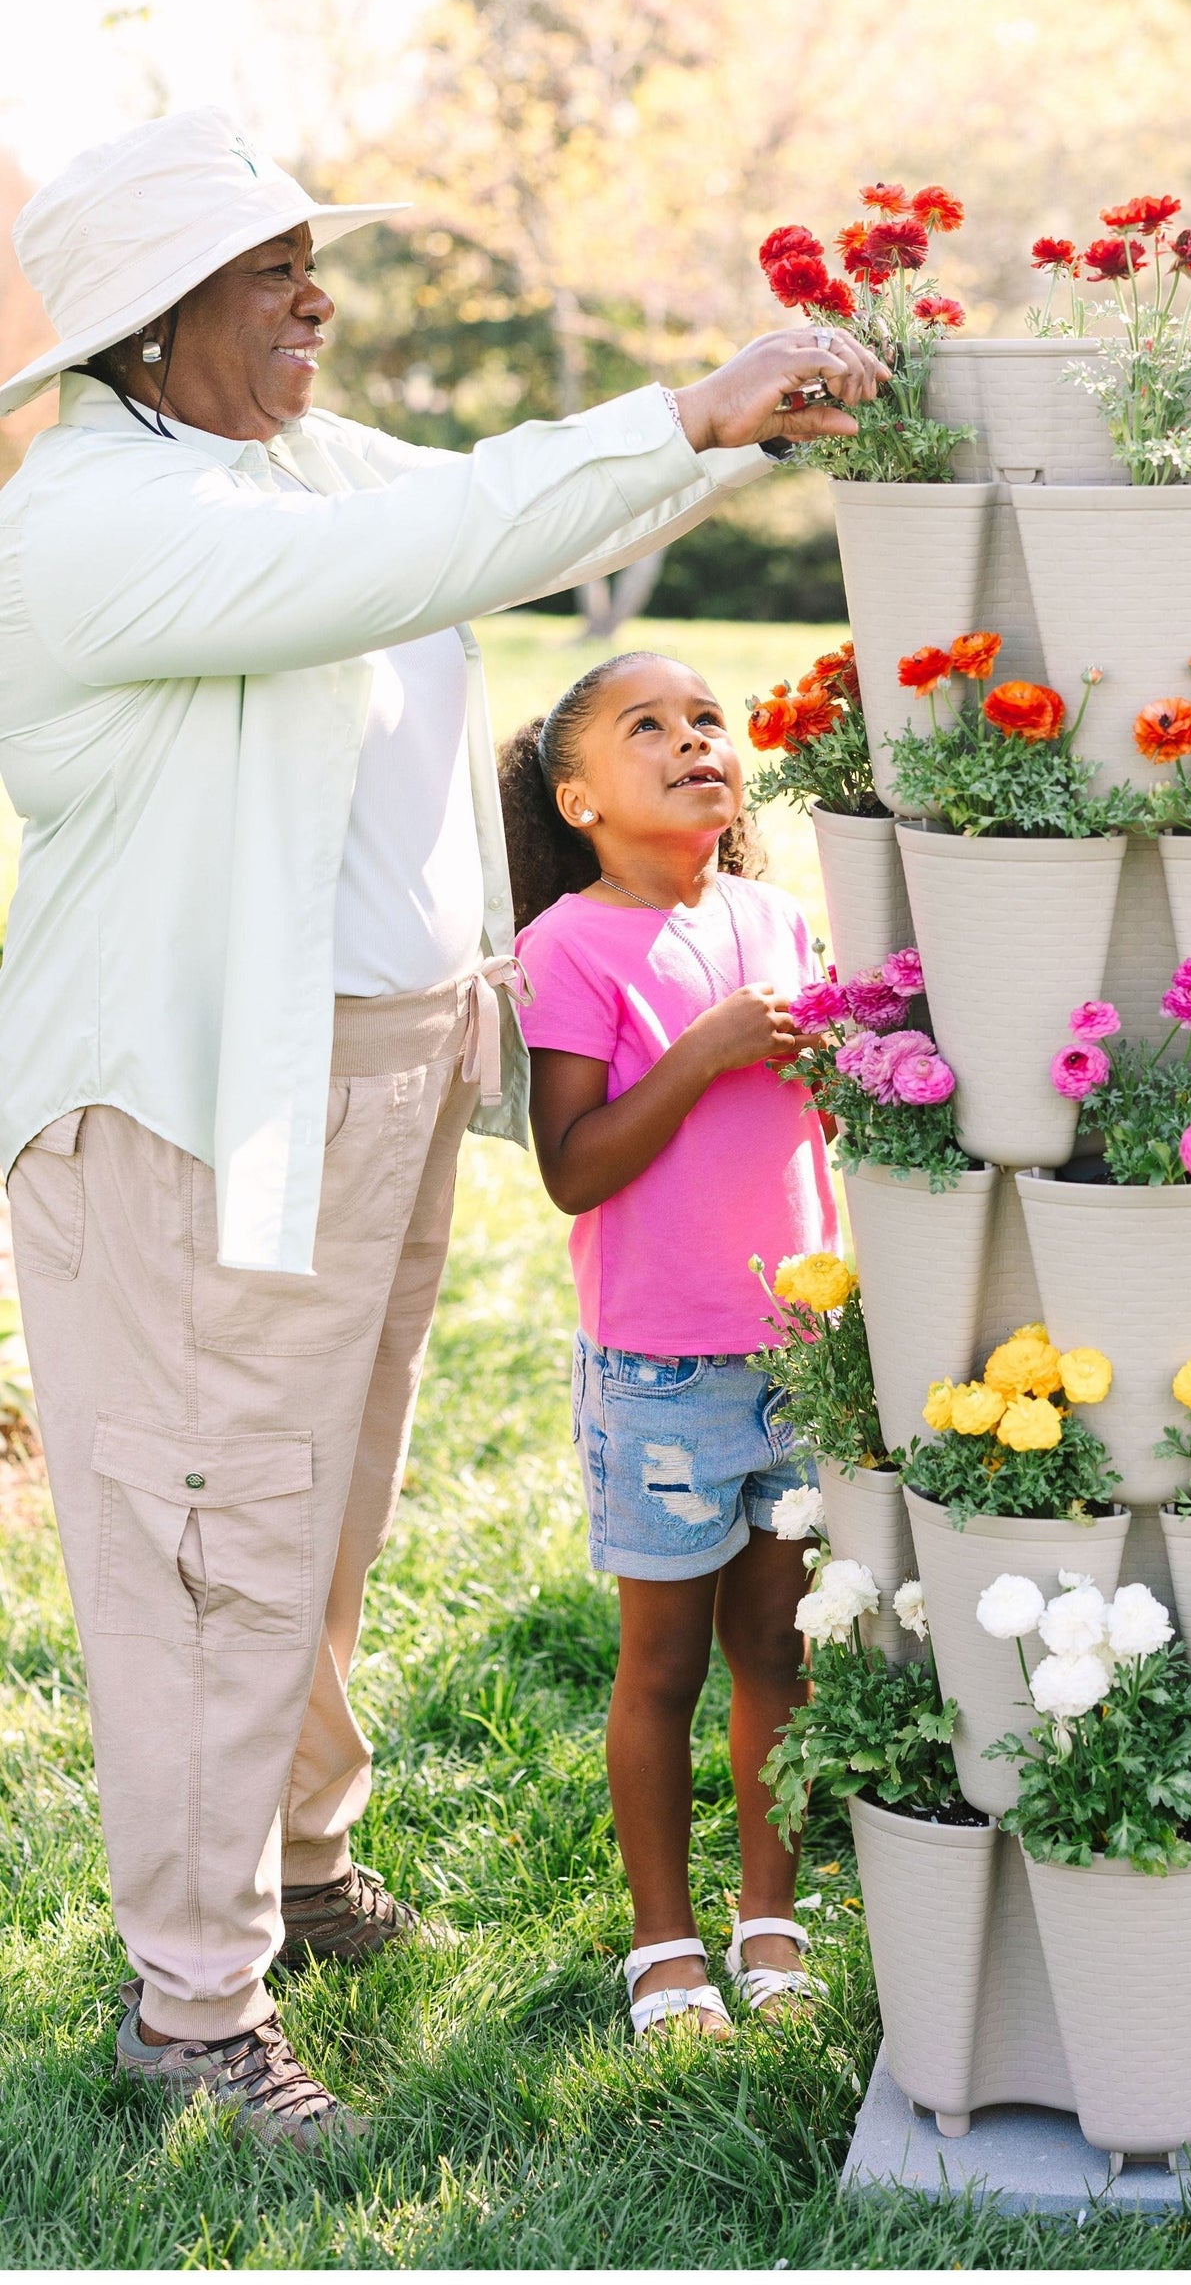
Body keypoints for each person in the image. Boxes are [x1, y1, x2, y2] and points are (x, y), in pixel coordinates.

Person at [0, 104, 884, 2146]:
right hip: (196, 1102)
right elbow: (423, 551)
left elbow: (516, 515)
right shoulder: (99, 519)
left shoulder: (290, 459)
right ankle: (192, 2006)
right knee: (213, 1534)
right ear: (149, 327)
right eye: (270, 272)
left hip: (378, 1067)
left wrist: (765, 423)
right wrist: (693, 402)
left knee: (322, 1502)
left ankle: (294, 1866)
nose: (318, 297)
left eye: (313, 258)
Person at [501, 648, 838, 2039]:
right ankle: (665, 1940)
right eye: (649, 727)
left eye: (709, 719)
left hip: (801, 1354)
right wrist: (700, 1051)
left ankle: (772, 1912)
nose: (696, 739)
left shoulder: (780, 921)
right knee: (665, 1667)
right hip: (662, 1372)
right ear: (579, 797)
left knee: (780, 1647)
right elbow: (573, 1167)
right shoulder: (568, 947)